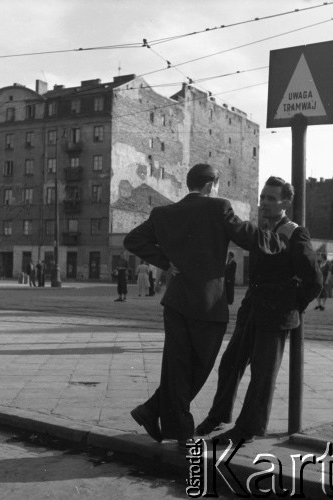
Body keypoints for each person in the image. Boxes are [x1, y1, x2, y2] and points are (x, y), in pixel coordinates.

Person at [124, 164, 289, 448]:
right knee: (199, 368)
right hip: (208, 306)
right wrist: (282, 241)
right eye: (217, 186)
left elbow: (132, 239)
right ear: (212, 185)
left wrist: (165, 262)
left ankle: (158, 414)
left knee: (177, 367)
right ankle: (166, 420)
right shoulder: (218, 207)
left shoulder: (163, 213)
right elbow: (248, 235)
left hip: (175, 302)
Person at [195, 176, 322, 445]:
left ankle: (247, 430)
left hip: (276, 315)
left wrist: (293, 306)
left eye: (271, 198)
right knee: (230, 363)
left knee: (262, 375)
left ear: (285, 203)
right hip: (252, 310)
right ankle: (218, 415)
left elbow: (314, 280)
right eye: (263, 197)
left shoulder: (295, 232)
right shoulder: (262, 227)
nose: (264, 202)